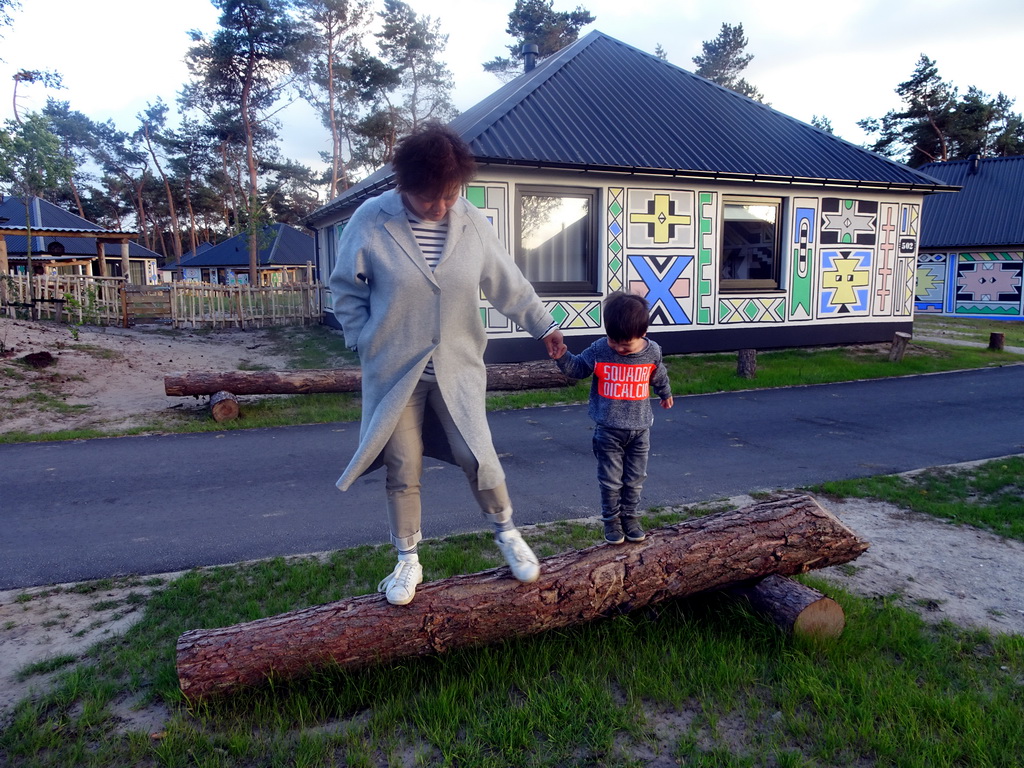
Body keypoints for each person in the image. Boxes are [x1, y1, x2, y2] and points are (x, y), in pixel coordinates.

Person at [330, 122, 565, 606]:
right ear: (404, 185)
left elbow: (508, 282)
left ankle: (506, 532)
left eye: (450, 194)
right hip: (394, 370)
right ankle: (407, 559)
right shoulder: (372, 220)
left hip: (457, 367)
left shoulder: (472, 222)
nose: (440, 206)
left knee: (476, 454)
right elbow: (346, 289)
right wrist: (363, 340)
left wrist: (543, 325)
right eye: (427, 197)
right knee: (403, 464)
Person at [550, 292, 674, 544]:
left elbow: (658, 375)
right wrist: (562, 357)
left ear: (642, 333)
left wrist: (665, 393)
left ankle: (630, 517)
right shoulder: (599, 349)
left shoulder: (653, 353)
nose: (617, 348)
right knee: (610, 481)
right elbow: (578, 369)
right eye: (612, 340)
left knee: (635, 479)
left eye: (624, 344)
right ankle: (612, 522)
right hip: (608, 430)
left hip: (640, 430)